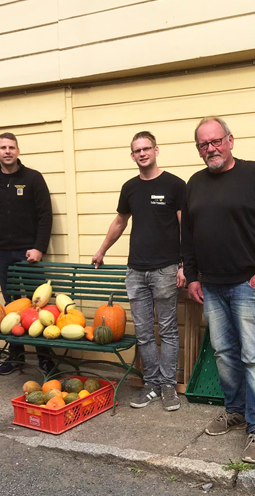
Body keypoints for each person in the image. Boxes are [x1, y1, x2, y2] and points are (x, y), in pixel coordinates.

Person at [181, 117, 255, 463]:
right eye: (203, 144)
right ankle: (236, 410)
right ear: (198, 150)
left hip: (248, 284)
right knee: (224, 353)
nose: (210, 148)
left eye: (216, 141)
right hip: (211, 285)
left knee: (254, 357)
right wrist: (193, 275)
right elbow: (188, 235)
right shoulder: (194, 183)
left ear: (230, 140)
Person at [92, 131, 186, 411]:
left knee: (168, 330)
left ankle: (169, 387)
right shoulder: (130, 187)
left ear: (157, 150)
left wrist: (184, 265)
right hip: (136, 271)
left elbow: (185, 228)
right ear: (132, 156)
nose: (142, 153)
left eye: (147, 148)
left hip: (166, 270)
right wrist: (102, 250)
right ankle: (152, 385)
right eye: (137, 150)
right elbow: (120, 222)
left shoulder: (175, 185)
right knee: (144, 332)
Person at [0, 132, 54, 375]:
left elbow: (45, 215)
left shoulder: (33, 178)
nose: (8, 151)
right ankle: (16, 354)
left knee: (37, 305)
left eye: (12, 147)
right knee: (11, 307)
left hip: (28, 252)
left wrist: (39, 247)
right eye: (3, 147)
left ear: (18, 151)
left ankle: (45, 356)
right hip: (1, 253)